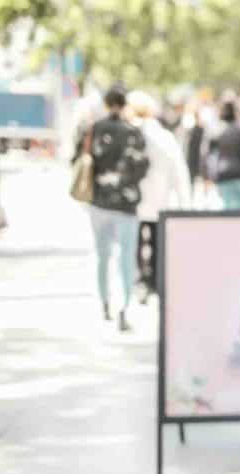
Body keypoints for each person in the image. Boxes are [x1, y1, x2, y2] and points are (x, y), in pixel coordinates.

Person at [74, 85, 150, 331]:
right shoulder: (133, 132)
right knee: (126, 257)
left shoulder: (94, 129)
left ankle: (104, 302)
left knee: (102, 255)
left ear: (106, 104)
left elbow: (78, 160)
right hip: (126, 203)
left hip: (99, 201)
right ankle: (124, 307)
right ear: (124, 104)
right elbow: (142, 167)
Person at [126, 90, 191, 303]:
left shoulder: (129, 134)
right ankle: (153, 281)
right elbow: (178, 171)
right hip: (160, 199)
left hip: (133, 200)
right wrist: (184, 201)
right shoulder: (164, 136)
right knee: (156, 241)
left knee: (134, 241)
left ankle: (139, 280)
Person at [207, 101, 240, 210]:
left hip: (224, 175)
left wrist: (209, 175)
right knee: (238, 210)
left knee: (230, 209)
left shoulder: (217, 132)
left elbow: (210, 156)